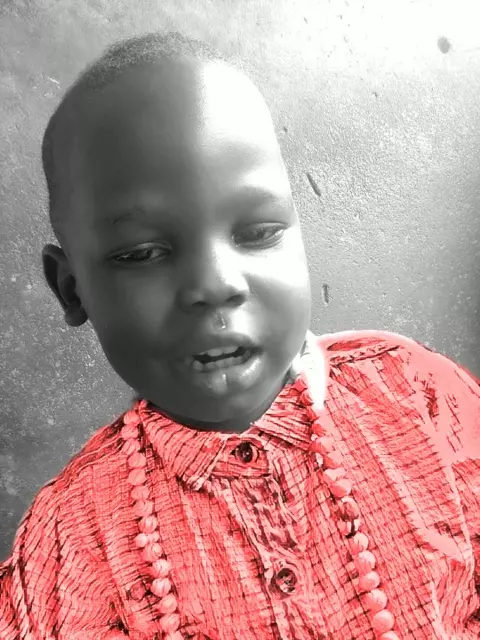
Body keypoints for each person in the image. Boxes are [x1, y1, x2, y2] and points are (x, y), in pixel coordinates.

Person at [0, 30, 478, 640]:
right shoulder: (71, 543)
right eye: (142, 252)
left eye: (258, 232)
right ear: (72, 290)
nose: (217, 285)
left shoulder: (421, 400)